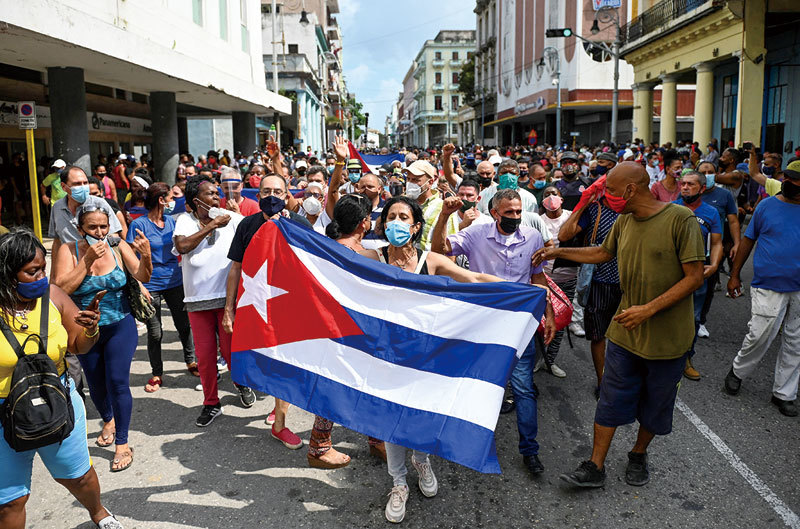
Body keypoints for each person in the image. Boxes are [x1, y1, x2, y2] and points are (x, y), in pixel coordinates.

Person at [534, 161, 704, 488]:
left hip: (668, 339)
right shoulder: (625, 221)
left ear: (629, 190)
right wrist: (556, 251)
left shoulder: (680, 219)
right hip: (625, 333)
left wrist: (648, 310)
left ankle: (638, 453)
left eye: (610, 190)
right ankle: (595, 465)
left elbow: (694, 277)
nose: (607, 196)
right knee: (611, 398)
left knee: (656, 404)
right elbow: (601, 253)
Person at [360, 195, 509, 524]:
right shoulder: (373, 257)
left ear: (415, 226)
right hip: (386, 353)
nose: (396, 222)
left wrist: (520, 290)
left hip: (427, 353)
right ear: (383, 224)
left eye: (403, 217)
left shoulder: (431, 260)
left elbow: (473, 279)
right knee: (392, 420)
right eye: (391, 216)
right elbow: (330, 258)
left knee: (423, 414)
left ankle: (421, 461)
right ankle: (398, 482)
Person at [0, 229, 127, 529]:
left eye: (43, 268)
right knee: (10, 502)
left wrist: (91, 329)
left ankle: (99, 513)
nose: (42, 277)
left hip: (58, 404)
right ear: (7, 274)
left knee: (79, 477)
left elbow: (78, 344)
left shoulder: (54, 296)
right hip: (5, 415)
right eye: (32, 272)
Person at [430, 188, 555, 477]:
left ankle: (530, 451)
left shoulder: (533, 237)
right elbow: (440, 250)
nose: (514, 217)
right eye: (508, 212)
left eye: (517, 212)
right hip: (482, 324)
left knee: (523, 389)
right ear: (494, 212)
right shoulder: (476, 233)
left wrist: (547, 314)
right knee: (471, 384)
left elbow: (538, 278)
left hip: (519, 324)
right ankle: (461, 442)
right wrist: (445, 215)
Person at [54, 204, 152, 473]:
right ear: (80, 229)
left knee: (118, 382)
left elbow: (141, 275)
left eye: (103, 227)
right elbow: (60, 289)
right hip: (85, 329)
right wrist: (86, 261)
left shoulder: (118, 246)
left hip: (120, 324)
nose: (99, 233)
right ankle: (107, 419)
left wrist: (146, 256)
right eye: (92, 228)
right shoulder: (68, 249)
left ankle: (122, 442)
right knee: (96, 384)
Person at [223, 172, 310, 447]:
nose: (272, 196)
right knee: (267, 361)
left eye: (278, 191)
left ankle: (280, 419)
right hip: (257, 305)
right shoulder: (247, 225)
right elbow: (235, 267)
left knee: (285, 362)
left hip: (291, 306)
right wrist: (229, 309)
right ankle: (276, 401)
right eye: (266, 191)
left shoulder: (299, 224)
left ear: (287, 196)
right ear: (257, 195)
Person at [173, 176, 257, 426]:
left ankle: (241, 384)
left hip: (226, 300)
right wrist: (212, 226)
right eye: (210, 194)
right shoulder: (184, 221)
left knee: (232, 353)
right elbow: (183, 246)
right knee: (206, 357)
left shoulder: (227, 216)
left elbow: (253, 228)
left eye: (216, 193)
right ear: (195, 201)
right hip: (197, 301)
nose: (216, 198)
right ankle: (211, 403)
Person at [724, 161, 800, 417]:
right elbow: (748, 241)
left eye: (796, 180)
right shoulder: (767, 205)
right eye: (788, 177)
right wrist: (734, 275)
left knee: (796, 342)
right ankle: (738, 371)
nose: (790, 183)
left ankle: (784, 394)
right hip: (769, 284)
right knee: (760, 334)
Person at [127, 183, 197, 392]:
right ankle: (157, 373)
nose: (173, 201)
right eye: (170, 197)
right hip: (150, 285)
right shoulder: (138, 225)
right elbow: (130, 256)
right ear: (161, 199)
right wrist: (139, 284)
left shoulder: (172, 222)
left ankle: (191, 361)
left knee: (184, 326)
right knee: (155, 332)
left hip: (175, 281)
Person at [557, 176, 621, 397]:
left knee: (629, 335)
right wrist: (584, 201)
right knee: (598, 335)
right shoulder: (594, 209)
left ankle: (626, 380)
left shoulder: (634, 210)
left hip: (630, 281)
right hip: (600, 281)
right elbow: (564, 234)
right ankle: (604, 382)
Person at [673, 171, 722, 380]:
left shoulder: (711, 212)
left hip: (697, 274)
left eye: (690, 184)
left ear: (702, 188)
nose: (685, 187)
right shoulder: (670, 208)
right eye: (682, 183)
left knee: (692, 318)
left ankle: (685, 358)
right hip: (670, 273)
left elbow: (718, 242)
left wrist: (714, 265)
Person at [696, 160, 740, 338]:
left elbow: (734, 220)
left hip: (714, 249)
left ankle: (700, 322)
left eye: (711, 172)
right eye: (703, 172)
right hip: (689, 249)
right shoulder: (689, 193)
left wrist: (737, 243)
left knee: (707, 288)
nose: (707, 176)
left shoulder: (724, 195)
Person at [537, 186, 576, 378]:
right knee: (540, 321)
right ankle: (537, 358)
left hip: (567, 276)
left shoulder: (571, 217)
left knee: (560, 322)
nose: (551, 198)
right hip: (544, 278)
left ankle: (550, 361)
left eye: (555, 194)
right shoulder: (538, 220)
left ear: (561, 198)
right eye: (547, 195)